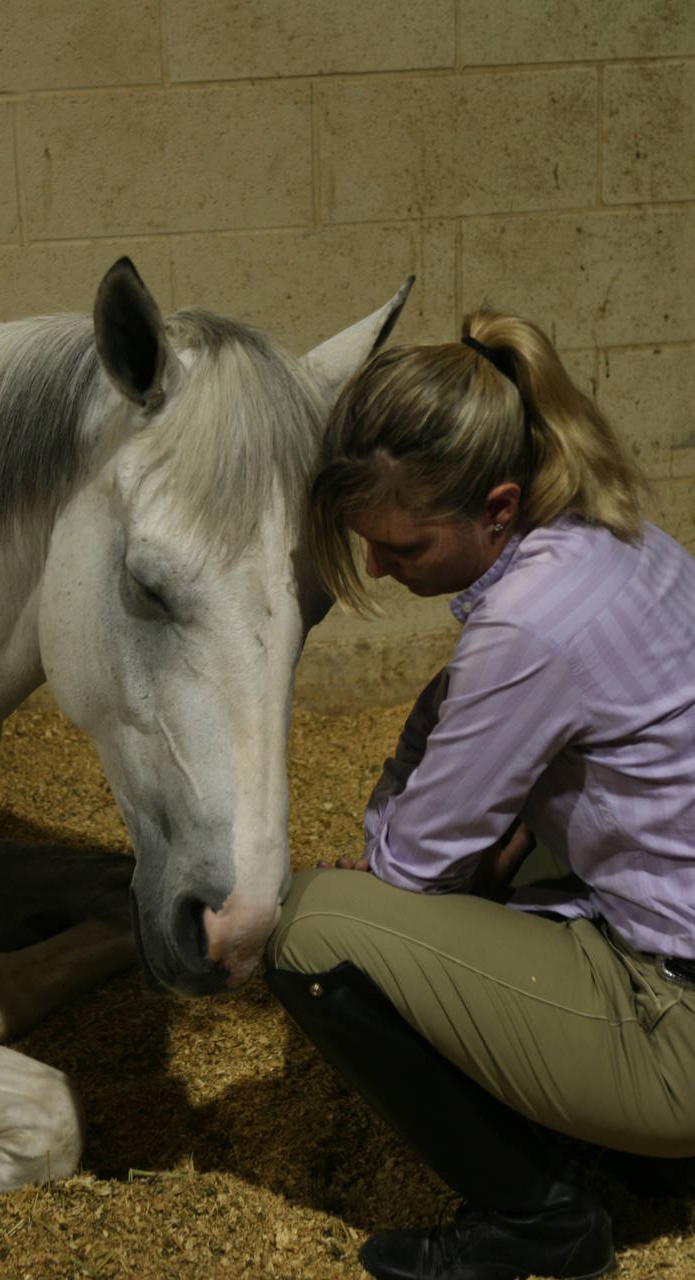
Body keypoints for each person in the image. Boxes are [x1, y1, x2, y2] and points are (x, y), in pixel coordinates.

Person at [265, 309, 695, 1280]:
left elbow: (420, 854)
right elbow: (443, 722)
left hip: (682, 1026)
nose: (377, 565)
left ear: (495, 508)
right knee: (490, 848)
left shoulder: (530, 623)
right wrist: (414, 847)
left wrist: (380, 867)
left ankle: (535, 1217)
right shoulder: (594, 533)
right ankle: (630, 1147)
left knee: (311, 928)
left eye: (401, 547)